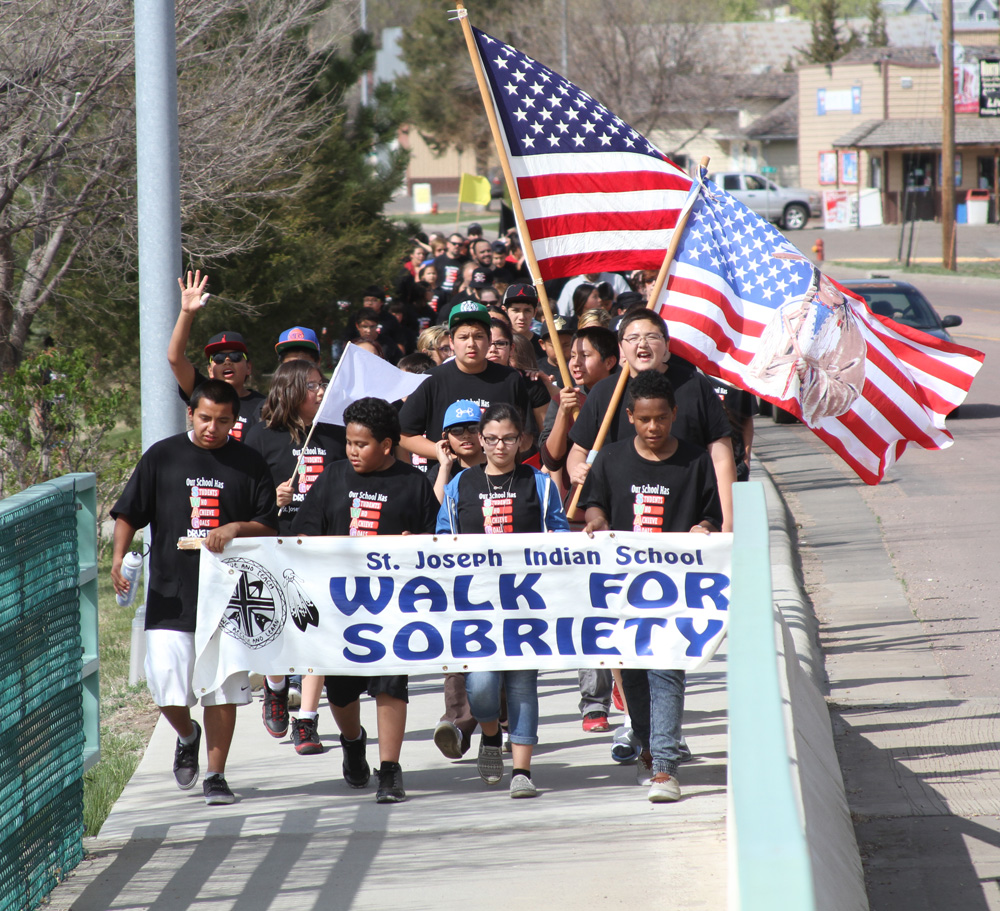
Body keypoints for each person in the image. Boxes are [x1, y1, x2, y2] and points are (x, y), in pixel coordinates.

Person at [110, 380, 278, 805]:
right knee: (166, 685)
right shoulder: (163, 456)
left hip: (230, 595)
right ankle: (187, 733)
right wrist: (118, 558)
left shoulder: (249, 462)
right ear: (190, 413)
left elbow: (268, 524)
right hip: (170, 591)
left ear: (235, 420)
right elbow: (130, 511)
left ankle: (217, 775)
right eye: (205, 418)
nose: (213, 428)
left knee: (221, 688)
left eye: (223, 421)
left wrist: (236, 527)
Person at [580, 370, 721, 803]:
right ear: (630, 417)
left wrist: (704, 526)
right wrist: (597, 521)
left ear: (674, 415)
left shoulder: (696, 461)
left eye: (661, 418)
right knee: (635, 679)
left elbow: (712, 514)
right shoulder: (611, 458)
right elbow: (595, 505)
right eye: (644, 420)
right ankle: (645, 747)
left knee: (666, 672)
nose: (654, 427)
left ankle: (664, 767)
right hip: (624, 593)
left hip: (675, 593)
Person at [290, 397, 439, 803]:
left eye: (362, 444)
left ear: (388, 445)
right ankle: (353, 742)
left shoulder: (414, 484)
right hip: (339, 609)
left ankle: (390, 770)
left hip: (393, 609)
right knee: (339, 692)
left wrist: (419, 545)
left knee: (392, 685)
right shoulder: (332, 478)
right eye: (349, 443)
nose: (352, 451)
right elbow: (303, 536)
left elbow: (438, 544)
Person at [436, 403, 569, 797]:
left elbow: (560, 539)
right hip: (477, 607)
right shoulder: (460, 485)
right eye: (491, 438)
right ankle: (491, 735)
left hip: (527, 606)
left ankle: (522, 772)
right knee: (480, 686)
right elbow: (444, 538)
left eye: (509, 438)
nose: (499, 445)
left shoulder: (540, 484)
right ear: (480, 439)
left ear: (522, 440)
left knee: (523, 685)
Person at [244, 361, 346, 751]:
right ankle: (274, 687)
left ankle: (307, 719)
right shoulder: (261, 438)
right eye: (313, 386)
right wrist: (273, 499)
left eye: (322, 385)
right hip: (274, 544)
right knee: (277, 630)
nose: (321, 392)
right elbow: (245, 497)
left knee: (313, 633)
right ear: (291, 391)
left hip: (320, 548)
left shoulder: (334, 436)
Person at [565, 309, 737, 533]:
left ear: (666, 347)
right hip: (624, 527)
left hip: (686, 522)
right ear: (621, 348)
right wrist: (576, 469)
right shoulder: (604, 391)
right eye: (633, 338)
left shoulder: (695, 385)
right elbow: (579, 449)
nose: (642, 344)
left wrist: (726, 525)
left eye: (652, 337)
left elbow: (721, 458)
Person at [398, 301, 529, 461]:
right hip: (446, 479)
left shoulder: (511, 379)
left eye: (478, 336)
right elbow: (404, 434)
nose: (471, 344)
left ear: (489, 340)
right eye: (463, 337)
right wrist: (446, 454)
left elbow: (526, 436)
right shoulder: (432, 380)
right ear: (452, 342)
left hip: (497, 479)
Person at [167, 270, 265, 441]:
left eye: (235, 356)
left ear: (248, 367)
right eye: (218, 359)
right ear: (210, 370)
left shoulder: (265, 405)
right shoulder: (202, 392)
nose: (227, 361)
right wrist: (187, 313)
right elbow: (175, 358)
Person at [556, 272, 630, 318]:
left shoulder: (616, 280)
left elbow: (630, 304)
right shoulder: (571, 285)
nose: (600, 300)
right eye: (595, 297)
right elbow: (562, 314)